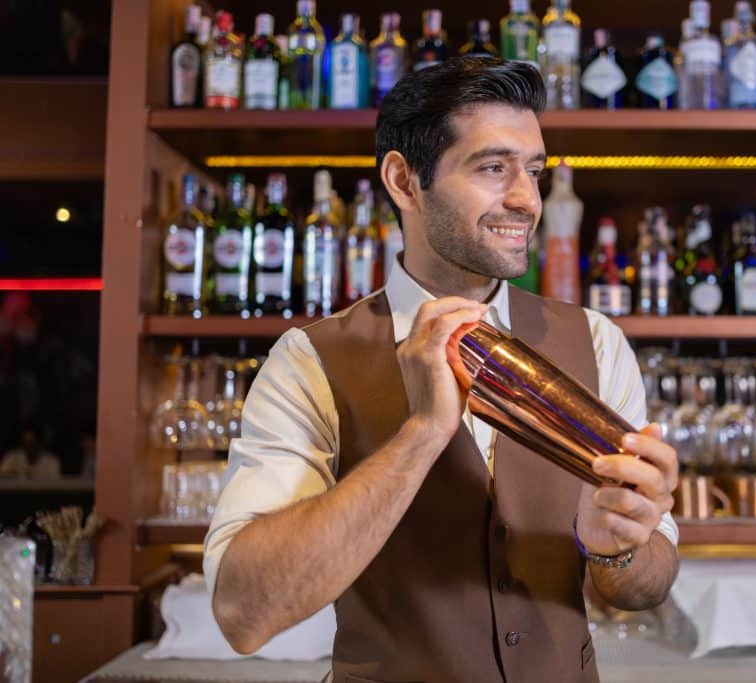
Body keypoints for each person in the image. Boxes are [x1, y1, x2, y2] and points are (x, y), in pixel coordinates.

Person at [204, 56, 680, 682]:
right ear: (404, 181)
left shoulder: (597, 342)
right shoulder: (309, 361)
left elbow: (645, 588)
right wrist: (422, 433)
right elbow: (244, 613)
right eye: (492, 168)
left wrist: (618, 552)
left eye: (534, 172)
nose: (525, 200)